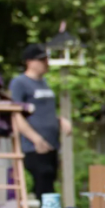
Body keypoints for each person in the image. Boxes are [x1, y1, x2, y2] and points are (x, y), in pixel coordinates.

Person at [9, 44, 72, 198]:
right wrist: (36, 139)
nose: (46, 63)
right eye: (41, 60)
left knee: (50, 182)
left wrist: (60, 120)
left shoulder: (45, 83)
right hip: (34, 146)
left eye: (46, 59)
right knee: (42, 183)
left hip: (52, 144)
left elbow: (44, 111)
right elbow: (15, 115)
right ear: (29, 61)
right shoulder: (19, 83)